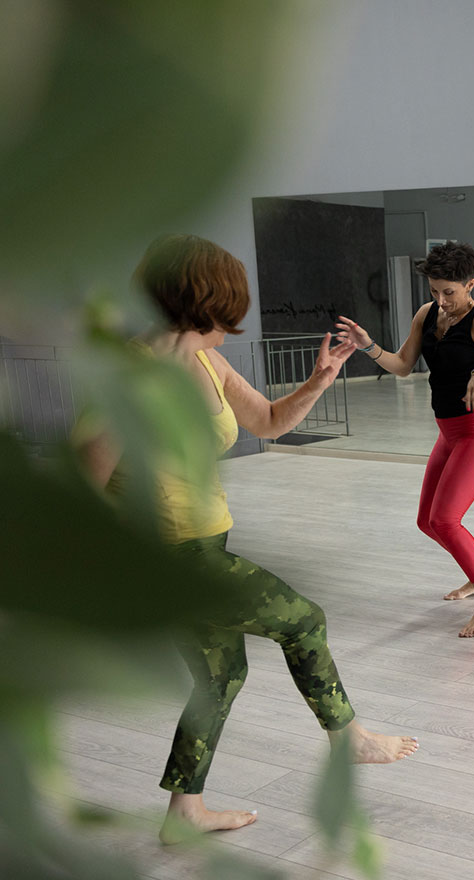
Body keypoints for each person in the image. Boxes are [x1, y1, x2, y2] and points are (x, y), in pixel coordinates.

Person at [81, 235, 417, 843]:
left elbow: (267, 422)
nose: (237, 321)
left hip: (208, 547)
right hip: (172, 561)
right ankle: (349, 738)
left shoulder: (207, 361)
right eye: (230, 305)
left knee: (220, 677)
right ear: (203, 302)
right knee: (304, 619)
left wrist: (320, 379)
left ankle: (184, 813)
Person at [337, 241, 474, 638]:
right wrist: (368, 346)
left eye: (449, 293)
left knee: (445, 519)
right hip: (448, 433)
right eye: (435, 291)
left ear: (470, 285)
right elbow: (402, 366)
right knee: (427, 521)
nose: (441, 300)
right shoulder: (427, 314)